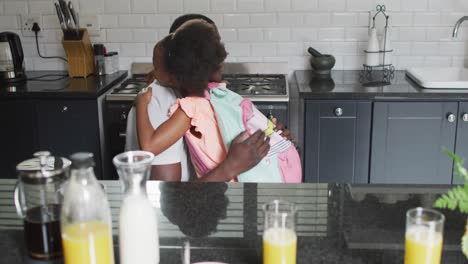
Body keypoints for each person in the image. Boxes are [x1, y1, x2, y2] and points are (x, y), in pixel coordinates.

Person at [136, 20, 301, 182]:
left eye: (157, 68)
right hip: (283, 172)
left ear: (175, 74)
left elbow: (150, 146)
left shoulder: (191, 106)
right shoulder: (220, 93)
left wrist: (141, 101)